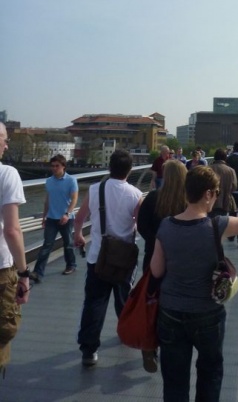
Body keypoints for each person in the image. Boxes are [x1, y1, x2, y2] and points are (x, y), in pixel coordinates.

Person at [150, 165, 238, 402]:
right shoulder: (217, 225)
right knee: (210, 372)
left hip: (171, 312)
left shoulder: (165, 225)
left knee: (174, 380)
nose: (216, 197)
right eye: (215, 192)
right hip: (207, 314)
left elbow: (156, 269)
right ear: (207, 194)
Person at [74, 149, 142, 367]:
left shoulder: (95, 189)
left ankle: (89, 350)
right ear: (129, 170)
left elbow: (80, 217)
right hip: (124, 259)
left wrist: (78, 235)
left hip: (98, 257)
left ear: (109, 167)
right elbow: (139, 225)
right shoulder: (135, 194)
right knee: (124, 301)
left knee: (94, 303)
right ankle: (126, 334)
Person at [137, 159, 187, 372]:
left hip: (153, 257)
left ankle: (150, 346)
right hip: (180, 260)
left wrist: (154, 241)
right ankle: (173, 343)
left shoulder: (154, 198)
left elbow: (141, 225)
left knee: (153, 301)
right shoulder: (187, 200)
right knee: (176, 301)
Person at [0, 123, 30, 372]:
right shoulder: (7, 174)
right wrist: (23, 273)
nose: (7, 144)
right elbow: (11, 230)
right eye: (4, 139)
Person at [29, 154, 78, 283]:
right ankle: (37, 273)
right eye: (52, 166)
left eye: (57, 166)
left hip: (66, 218)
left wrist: (67, 214)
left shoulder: (71, 180)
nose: (54, 168)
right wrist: (44, 216)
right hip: (51, 218)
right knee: (47, 245)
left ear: (63, 166)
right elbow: (47, 200)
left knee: (68, 244)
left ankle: (71, 265)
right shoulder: (49, 181)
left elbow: (74, 199)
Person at [209, 149, 237, 218]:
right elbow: (234, 187)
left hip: (210, 202)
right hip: (225, 202)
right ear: (225, 158)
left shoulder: (208, 169)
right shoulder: (231, 170)